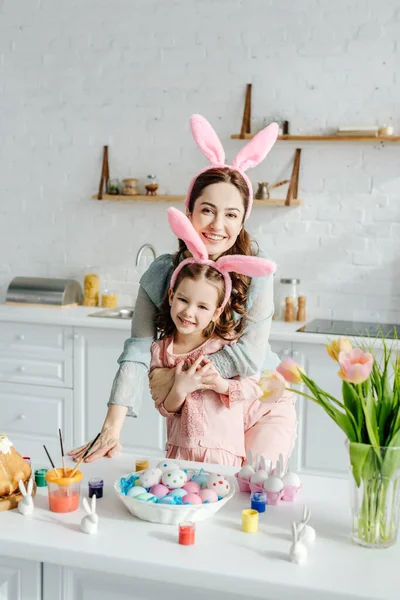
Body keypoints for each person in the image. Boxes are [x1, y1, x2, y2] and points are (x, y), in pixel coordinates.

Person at [69, 114, 297, 466]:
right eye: (207, 210)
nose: (218, 226)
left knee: (253, 494)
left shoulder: (256, 266)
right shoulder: (163, 274)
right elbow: (138, 352)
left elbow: (249, 358)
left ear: (243, 220)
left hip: (258, 402)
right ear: (189, 211)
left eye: (231, 215)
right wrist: (112, 426)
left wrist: (175, 376)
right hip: (204, 411)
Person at [151, 208, 278, 466]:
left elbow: (253, 387)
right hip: (179, 454)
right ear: (172, 296)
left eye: (202, 307)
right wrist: (181, 388)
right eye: (184, 300)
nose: (189, 312)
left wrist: (221, 385)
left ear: (217, 311)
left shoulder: (225, 345)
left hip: (223, 453)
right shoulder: (162, 350)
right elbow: (164, 407)